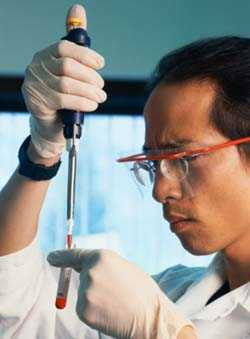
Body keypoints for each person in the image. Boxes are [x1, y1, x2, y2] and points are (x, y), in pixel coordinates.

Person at [2, 6, 250, 339]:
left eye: (185, 158)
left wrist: (161, 333)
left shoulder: (155, 318)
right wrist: (41, 153)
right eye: (152, 162)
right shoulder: (170, 296)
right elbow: (18, 309)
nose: (160, 191)